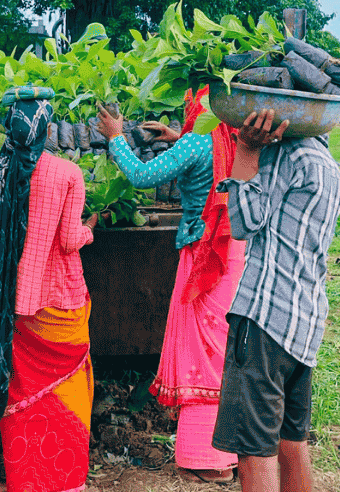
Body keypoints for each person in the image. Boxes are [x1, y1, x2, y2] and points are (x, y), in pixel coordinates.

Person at [97, 88, 243, 483]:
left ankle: (207, 460)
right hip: (235, 252)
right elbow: (208, 157)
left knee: (201, 351)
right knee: (223, 347)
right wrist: (177, 137)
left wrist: (115, 137)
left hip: (203, 254)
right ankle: (231, 451)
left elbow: (143, 176)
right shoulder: (233, 136)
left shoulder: (197, 143)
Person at [0, 86, 97, 492]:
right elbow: (69, 240)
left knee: (14, 388)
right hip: (55, 302)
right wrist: (89, 231)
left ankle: (25, 481)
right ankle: (64, 481)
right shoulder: (68, 174)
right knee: (66, 388)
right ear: (46, 130)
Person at [210, 110, 340, 492]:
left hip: (266, 318)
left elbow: (243, 223)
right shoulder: (326, 164)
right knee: (291, 440)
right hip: (304, 320)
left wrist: (247, 150)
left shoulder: (285, 155)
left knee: (254, 451)